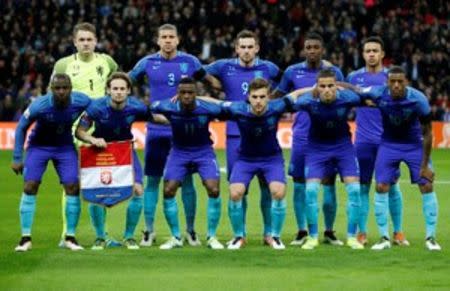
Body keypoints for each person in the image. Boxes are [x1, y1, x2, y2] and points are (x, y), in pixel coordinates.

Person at [129, 24, 218, 247]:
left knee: (187, 183)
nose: (167, 41)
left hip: (184, 132)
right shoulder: (147, 63)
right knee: (153, 181)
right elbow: (124, 83)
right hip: (157, 131)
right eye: (163, 37)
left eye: (171, 37)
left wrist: (229, 90)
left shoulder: (190, 62)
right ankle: (149, 231)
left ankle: (190, 231)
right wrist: (141, 109)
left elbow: (210, 81)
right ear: (158, 41)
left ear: (178, 40)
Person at [199, 78, 312, 250]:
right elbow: (217, 102)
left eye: (262, 97)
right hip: (246, 159)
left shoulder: (277, 107)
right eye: (255, 97)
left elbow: (295, 94)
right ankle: (238, 236)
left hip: (271, 158)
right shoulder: (238, 109)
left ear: (268, 97)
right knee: (235, 193)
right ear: (248, 97)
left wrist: (315, 88)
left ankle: (275, 236)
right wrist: (194, 98)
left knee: (278, 192)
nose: (258, 101)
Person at [204, 30, 282, 245]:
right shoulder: (223, 66)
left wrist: (270, 102)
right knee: (239, 188)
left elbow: (284, 84)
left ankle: (269, 233)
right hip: (234, 134)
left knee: (268, 186)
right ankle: (241, 234)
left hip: (264, 131)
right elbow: (198, 71)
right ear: (236, 49)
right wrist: (214, 83)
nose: (246, 51)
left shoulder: (269, 68)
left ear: (257, 48)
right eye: (242, 47)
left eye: (250, 47)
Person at [75, 72, 166, 250]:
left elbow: (154, 118)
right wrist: (92, 140)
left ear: (128, 91)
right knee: (96, 195)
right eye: (115, 88)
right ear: (108, 90)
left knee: (139, 190)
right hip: (99, 152)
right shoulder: (96, 108)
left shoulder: (136, 107)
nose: (118, 92)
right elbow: (80, 131)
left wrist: (177, 120)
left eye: (122, 89)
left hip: (124, 152)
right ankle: (100, 238)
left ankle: (129, 237)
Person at [355, 66, 441, 251]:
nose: (395, 85)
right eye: (392, 81)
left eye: (399, 81)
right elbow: (356, 91)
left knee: (426, 184)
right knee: (381, 186)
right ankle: (384, 238)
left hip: (414, 145)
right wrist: (337, 85)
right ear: (386, 82)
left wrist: (425, 165)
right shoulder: (378, 93)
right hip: (388, 145)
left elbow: (428, 133)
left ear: (406, 82)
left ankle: (431, 238)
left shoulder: (418, 99)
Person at [272, 32, 344, 246]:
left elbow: (346, 96)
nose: (312, 50)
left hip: (329, 136)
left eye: (316, 47)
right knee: (300, 183)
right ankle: (302, 230)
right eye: (308, 47)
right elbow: (279, 96)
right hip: (302, 136)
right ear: (304, 50)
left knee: (329, 183)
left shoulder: (334, 72)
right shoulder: (293, 71)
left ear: (322, 49)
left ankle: (329, 231)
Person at [51, 22, 119, 248]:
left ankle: (102, 235)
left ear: (96, 41)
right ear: (74, 42)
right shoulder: (64, 65)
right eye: (81, 40)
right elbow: (53, 95)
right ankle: (66, 235)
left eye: (89, 39)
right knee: (71, 183)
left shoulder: (106, 61)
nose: (86, 43)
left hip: (99, 131)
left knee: (99, 184)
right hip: (69, 131)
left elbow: (118, 85)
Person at [13, 74, 90, 252]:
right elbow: (21, 127)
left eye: (65, 88)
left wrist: (86, 125)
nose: (61, 92)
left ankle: (70, 237)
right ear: (51, 89)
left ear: (71, 88)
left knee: (73, 186)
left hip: (64, 147)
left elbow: (97, 109)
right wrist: (17, 157)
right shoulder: (40, 105)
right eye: (57, 88)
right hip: (39, 147)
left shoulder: (81, 100)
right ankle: (25, 238)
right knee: (30, 186)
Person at [290, 69, 364, 250]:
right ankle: (313, 236)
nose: (327, 90)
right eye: (322, 86)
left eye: (331, 85)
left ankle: (352, 237)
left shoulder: (347, 98)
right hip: (316, 149)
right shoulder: (308, 101)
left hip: (343, 148)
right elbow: (288, 99)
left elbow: (364, 95)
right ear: (317, 87)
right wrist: (308, 90)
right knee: (311, 191)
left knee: (354, 190)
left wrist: (345, 86)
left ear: (336, 86)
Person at [346, 36, 408, 246]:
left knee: (392, 186)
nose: (371, 54)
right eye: (368, 51)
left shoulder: (392, 78)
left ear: (382, 54)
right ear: (363, 54)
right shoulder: (354, 77)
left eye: (375, 51)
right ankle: (362, 232)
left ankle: (398, 232)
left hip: (388, 141)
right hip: (363, 141)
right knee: (363, 187)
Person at [149, 78, 224, 250]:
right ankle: (176, 237)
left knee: (213, 188)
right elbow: (148, 110)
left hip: (203, 151)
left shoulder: (207, 109)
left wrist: (208, 99)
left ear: (196, 93)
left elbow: (229, 110)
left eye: (190, 92)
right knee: (168, 190)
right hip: (179, 152)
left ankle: (212, 236)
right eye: (183, 92)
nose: (187, 96)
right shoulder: (168, 106)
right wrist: (164, 120)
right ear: (178, 93)